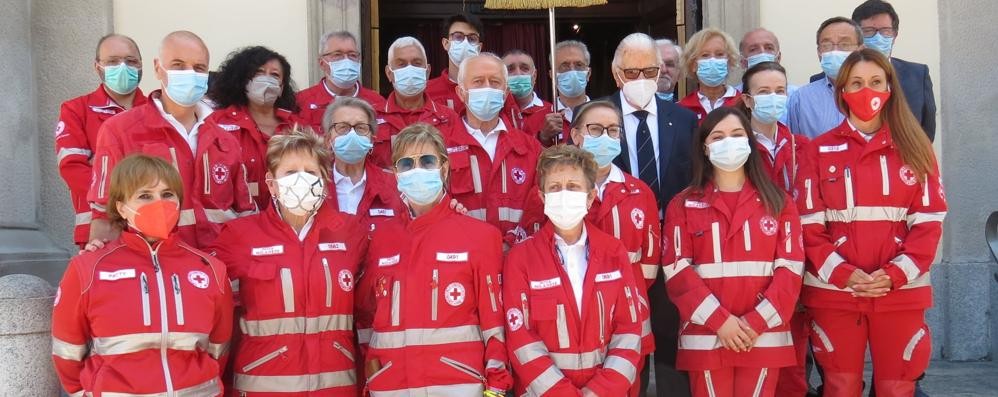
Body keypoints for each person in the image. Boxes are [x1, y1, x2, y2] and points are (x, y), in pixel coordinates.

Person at [795, 49, 946, 397]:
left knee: (897, 387)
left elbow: (929, 224)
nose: (868, 91)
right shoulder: (817, 152)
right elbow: (809, 227)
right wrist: (843, 273)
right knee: (840, 386)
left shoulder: (916, 147)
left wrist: (892, 275)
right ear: (842, 91)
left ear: (890, 88)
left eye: (876, 82)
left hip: (900, 293)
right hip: (835, 294)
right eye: (857, 83)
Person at [52, 154, 233, 397]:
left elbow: (218, 350)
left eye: (168, 194)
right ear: (121, 208)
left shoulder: (210, 268)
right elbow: (68, 355)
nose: (159, 203)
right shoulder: (88, 269)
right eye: (145, 195)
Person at [209, 129, 367, 395]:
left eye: (310, 172)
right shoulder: (240, 236)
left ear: (325, 181)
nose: (301, 180)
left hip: (335, 388)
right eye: (290, 173)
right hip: (264, 386)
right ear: (271, 183)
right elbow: (211, 306)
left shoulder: (351, 233)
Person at [662, 107, 804, 397]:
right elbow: (677, 273)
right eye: (718, 136)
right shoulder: (683, 204)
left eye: (737, 134)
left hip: (763, 336)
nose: (728, 142)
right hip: (707, 336)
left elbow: (790, 272)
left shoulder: (779, 203)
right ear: (704, 147)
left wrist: (755, 323)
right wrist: (721, 322)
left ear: (749, 144)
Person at [362, 123, 512, 396]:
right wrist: (372, 376)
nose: (417, 169)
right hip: (392, 387)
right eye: (406, 164)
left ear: (444, 168)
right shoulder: (382, 239)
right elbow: (370, 315)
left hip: (457, 386)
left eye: (427, 161)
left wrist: (496, 387)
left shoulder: (480, 236)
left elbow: (494, 323)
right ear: (395, 173)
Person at [87, 31, 256, 249]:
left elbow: (245, 215)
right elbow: (105, 215)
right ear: (158, 68)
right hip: (155, 267)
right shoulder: (119, 131)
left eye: (199, 68)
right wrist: (101, 262)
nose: (189, 73)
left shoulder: (225, 140)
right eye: (178, 65)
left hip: (218, 270)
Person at [503, 144, 644, 396]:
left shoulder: (614, 252)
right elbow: (521, 338)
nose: (564, 194)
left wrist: (600, 392)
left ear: (590, 197)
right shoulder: (520, 258)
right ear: (543, 197)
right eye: (555, 188)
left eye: (573, 187)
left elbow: (629, 330)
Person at [604, 32, 698, 397]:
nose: (641, 79)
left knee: (673, 339)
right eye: (632, 71)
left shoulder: (684, 119)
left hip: (674, 248)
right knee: (626, 342)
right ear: (616, 74)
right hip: (621, 250)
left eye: (649, 70)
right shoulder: (599, 116)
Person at [569, 101, 660, 395]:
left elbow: (648, 265)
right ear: (575, 136)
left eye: (612, 130)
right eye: (595, 129)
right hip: (573, 319)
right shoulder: (556, 189)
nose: (605, 137)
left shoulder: (639, 192)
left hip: (628, 319)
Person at [735, 62, 813, 397]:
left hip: (795, 268)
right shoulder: (732, 147)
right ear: (748, 100)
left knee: (793, 367)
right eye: (764, 92)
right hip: (750, 271)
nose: (773, 98)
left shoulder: (804, 146)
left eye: (780, 91)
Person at [56, 34, 148, 248]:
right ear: (98, 67)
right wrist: (122, 202)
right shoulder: (76, 110)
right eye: (113, 61)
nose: (123, 67)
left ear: (141, 65)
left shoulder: (156, 110)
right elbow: (72, 168)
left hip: (151, 225)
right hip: (100, 229)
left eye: (131, 61)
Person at [446, 53, 543, 246]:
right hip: (464, 258)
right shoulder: (442, 146)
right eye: (478, 82)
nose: (487, 88)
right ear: (461, 92)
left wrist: (512, 244)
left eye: (495, 82)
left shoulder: (529, 147)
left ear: (505, 92)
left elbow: (540, 203)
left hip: (518, 256)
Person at [206, 46, 300, 209]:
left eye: (275, 75)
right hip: (238, 223)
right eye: (258, 73)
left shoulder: (297, 126)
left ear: (282, 87)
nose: (267, 79)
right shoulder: (218, 123)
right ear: (243, 81)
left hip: (289, 223)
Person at [852, 0, 936, 141]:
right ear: (856, 36)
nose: (878, 37)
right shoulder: (839, 77)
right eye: (868, 31)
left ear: (895, 35)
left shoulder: (918, 74)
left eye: (885, 31)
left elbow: (927, 132)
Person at [426, 13, 524, 130]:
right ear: (446, 43)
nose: (465, 43)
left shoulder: (496, 89)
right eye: (458, 37)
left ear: (479, 47)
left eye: (472, 38)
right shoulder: (428, 91)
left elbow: (515, 133)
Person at [375, 36, 460, 169]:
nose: (410, 69)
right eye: (401, 64)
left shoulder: (448, 118)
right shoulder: (373, 118)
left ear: (427, 71)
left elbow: (456, 171)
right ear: (389, 73)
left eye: (416, 63)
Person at [323, 96, 406, 232]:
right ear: (328, 140)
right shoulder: (314, 185)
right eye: (342, 127)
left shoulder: (394, 186)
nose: (352, 135)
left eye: (360, 128)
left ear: (372, 141)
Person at [787, 17, 864, 139]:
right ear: (819, 52)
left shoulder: (876, 94)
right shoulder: (801, 99)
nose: (834, 51)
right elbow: (794, 149)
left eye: (844, 44)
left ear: (860, 49)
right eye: (826, 45)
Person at [296, 31, 386, 132]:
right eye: (337, 55)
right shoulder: (301, 102)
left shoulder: (377, 102)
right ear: (322, 63)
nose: (346, 61)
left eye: (352, 55)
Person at [532, 40, 593, 146]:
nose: (572, 71)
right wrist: (543, 138)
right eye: (564, 66)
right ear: (552, 75)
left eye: (579, 65)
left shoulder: (606, 115)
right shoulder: (536, 119)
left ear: (588, 74)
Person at [677, 28, 742, 122]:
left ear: (729, 61)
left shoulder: (743, 104)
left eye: (719, 54)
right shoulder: (681, 109)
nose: (713, 60)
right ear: (693, 64)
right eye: (705, 55)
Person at [735, 28, 799, 104]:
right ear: (742, 62)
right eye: (753, 49)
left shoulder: (797, 96)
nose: (762, 52)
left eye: (769, 48)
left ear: (778, 58)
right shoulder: (733, 98)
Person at [504, 49, 554, 143]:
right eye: (510, 69)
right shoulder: (496, 114)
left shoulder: (550, 112)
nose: (518, 73)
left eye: (524, 68)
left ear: (534, 76)